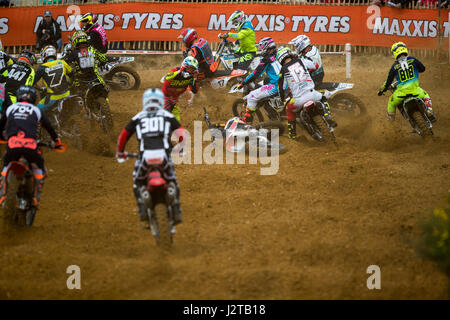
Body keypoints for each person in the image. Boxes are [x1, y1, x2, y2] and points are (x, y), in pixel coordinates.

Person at [116, 88, 186, 227]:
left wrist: (120, 152)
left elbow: (124, 136)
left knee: (137, 181)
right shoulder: (167, 115)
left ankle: (143, 210)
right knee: (172, 180)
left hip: (145, 156)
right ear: (160, 101)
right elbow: (181, 132)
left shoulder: (138, 117)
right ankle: (176, 210)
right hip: (163, 155)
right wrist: (180, 148)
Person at [0, 86, 63, 207]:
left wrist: (2, 138)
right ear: (33, 98)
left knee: (5, 168)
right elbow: (49, 127)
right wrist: (57, 142)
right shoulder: (36, 110)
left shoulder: (11, 108)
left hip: (13, 146)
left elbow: (1, 125)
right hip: (30, 147)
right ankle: (35, 197)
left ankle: (2, 194)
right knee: (40, 170)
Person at [277, 46, 336, 140]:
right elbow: (315, 66)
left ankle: (293, 135)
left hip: (299, 100)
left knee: (288, 109)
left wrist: (282, 99)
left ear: (280, 59)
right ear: (290, 53)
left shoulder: (283, 70)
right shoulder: (301, 61)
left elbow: (281, 88)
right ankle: (327, 115)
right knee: (323, 98)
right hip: (312, 94)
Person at [378, 42, 435, 122]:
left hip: (401, 94)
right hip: (415, 91)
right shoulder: (413, 60)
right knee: (426, 96)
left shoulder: (394, 66)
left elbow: (388, 81)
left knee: (391, 103)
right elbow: (423, 69)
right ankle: (429, 110)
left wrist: (382, 91)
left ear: (394, 53)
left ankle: (390, 122)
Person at [237, 37, 281, 124]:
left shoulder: (265, 60)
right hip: (286, 81)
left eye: (261, 47)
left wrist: (243, 82)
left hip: (276, 85)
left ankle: (247, 123)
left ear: (266, 47)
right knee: (265, 81)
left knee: (251, 97)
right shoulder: (279, 54)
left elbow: (255, 74)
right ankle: (271, 109)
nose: (261, 49)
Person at [63, 30, 108, 95]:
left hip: (80, 81)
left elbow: (65, 63)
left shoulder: (73, 53)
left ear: (75, 41)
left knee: (71, 92)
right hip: (95, 79)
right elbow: (104, 60)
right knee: (104, 91)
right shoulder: (93, 50)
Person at [161, 56, 199, 122]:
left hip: (175, 99)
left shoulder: (191, 78)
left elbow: (195, 90)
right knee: (165, 118)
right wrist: (179, 72)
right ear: (185, 66)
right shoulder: (175, 70)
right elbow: (166, 78)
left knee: (176, 121)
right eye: (190, 68)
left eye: (193, 69)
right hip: (165, 97)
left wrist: (195, 79)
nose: (191, 71)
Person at [35, 45, 73, 110]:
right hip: (67, 94)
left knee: (38, 108)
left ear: (44, 55)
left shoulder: (42, 67)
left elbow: (33, 81)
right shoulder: (62, 62)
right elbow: (72, 74)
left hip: (53, 97)